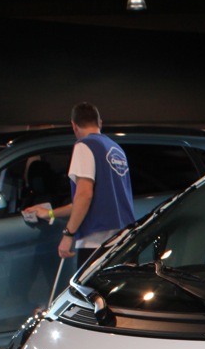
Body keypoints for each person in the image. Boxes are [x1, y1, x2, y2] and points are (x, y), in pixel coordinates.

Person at [24, 102, 135, 267]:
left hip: (97, 241)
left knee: (91, 292)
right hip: (123, 237)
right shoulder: (115, 148)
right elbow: (87, 200)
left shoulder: (85, 146)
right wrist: (50, 214)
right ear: (100, 122)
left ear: (74, 125)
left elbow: (84, 194)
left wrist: (68, 234)